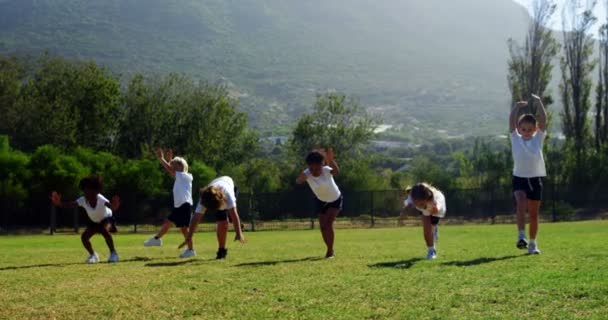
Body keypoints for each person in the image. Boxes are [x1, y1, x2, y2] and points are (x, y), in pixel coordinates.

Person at [50, 175, 120, 264]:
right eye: (85, 192)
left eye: (90, 192)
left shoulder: (100, 198)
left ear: (96, 191)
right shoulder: (83, 200)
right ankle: (93, 255)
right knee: (84, 237)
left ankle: (114, 254)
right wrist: (59, 203)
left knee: (104, 230)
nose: (87, 194)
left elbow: (111, 206)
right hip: (94, 222)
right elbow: (71, 204)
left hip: (107, 218)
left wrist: (115, 206)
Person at [509, 94, 547, 254]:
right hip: (519, 178)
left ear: (535, 129)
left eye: (530, 129)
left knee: (533, 214)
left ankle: (532, 244)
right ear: (519, 129)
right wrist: (517, 108)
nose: (526, 132)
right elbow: (511, 122)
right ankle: (521, 236)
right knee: (520, 202)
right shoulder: (515, 138)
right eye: (523, 129)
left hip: (536, 178)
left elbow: (544, 121)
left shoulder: (538, 138)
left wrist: (539, 103)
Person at [144, 148, 195, 258]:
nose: (173, 166)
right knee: (172, 224)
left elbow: (169, 169)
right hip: (181, 206)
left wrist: (161, 158)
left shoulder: (185, 175)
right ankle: (157, 239)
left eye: (175, 165)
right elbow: (171, 168)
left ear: (181, 166)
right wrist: (170, 159)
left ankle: (190, 250)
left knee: (183, 228)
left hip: (184, 205)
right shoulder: (181, 177)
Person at [296, 148, 342, 258]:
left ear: (322, 164)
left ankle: (330, 251)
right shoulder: (307, 173)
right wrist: (300, 179)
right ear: (308, 166)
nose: (315, 170)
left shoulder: (326, 170)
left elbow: (336, 172)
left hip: (335, 199)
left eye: (317, 167)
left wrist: (331, 160)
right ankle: (329, 248)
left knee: (328, 224)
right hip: (320, 200)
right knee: (322, 227)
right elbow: (298, 181)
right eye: (311, 167)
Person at [186, 176, 245, 259]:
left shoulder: (228, 195)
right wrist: (189, 236)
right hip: (216, 191)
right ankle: (221, 250)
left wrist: (238, 233)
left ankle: (231, 219)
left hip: (229, 185)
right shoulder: (204, 198)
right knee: (222, 222)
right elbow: (196, 218)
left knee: (230, 215)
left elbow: (235, 214)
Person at [404, 182, 446, 260]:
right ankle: (431, 251)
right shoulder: (412, 196)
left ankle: (434, 229)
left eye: (421, 203)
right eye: (417, 203)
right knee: (426, 230)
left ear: (426, 199)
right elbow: (408, 204)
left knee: (432, 226)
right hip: (425, 210)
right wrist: (408, 207)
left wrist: (436, 208)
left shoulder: (436, 198)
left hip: (435, 210)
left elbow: (438, 208)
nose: (418, 205)